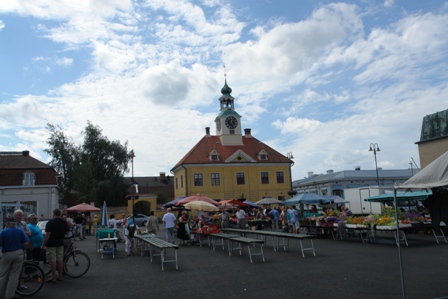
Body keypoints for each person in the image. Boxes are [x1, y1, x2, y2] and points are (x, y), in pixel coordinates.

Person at [0, 217, 30, 299]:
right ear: (15, 223)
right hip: (19, 253)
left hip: (7, 254)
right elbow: (26, 243)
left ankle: (1, 294)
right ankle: (9, 295)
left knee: (3, 275)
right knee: (14, 276)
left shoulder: (3, 232)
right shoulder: (20, 231)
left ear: (7, 223)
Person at [43, 208, 69, 282]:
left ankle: (53, 276)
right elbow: (67, 232)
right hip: (60, 242)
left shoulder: (50, 222)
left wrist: (44, 243)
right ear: (60, 214)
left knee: (53, 260)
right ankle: (60, 275)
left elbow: (48, 234)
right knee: (60, 259)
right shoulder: (63, 222)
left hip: (51, 243)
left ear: (53, 214)